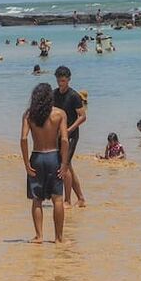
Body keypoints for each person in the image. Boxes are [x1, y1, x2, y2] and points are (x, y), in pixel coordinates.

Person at [20, 83, 70, 244]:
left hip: (37, 157)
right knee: (57, 199)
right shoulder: (59, 114)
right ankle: (59, 238)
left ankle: (39, 236)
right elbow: (64, 139)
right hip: (53, 157)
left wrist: (26, 162)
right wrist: (64, 163)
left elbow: (23, 138)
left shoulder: (29, 115)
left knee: (37, 199)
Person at [53, 66, 87, 208]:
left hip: (71, 135)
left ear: (68, 79)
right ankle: (81, 198)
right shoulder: (54, 94)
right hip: (59, 136)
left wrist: (69, 129)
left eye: (63, 81)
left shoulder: (74, 96)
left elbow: (83, 116)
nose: (61, 83)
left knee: (65, 166)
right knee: (69, 167)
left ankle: (67, 200)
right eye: (59, 80)